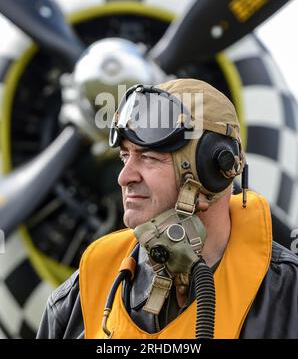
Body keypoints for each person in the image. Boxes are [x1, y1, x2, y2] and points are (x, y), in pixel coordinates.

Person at [37, 78, 298, 339]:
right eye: (125, 156)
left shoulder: (288, 295)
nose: (124, 177)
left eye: (149, 157)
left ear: (211, 169)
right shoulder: (81, 295)